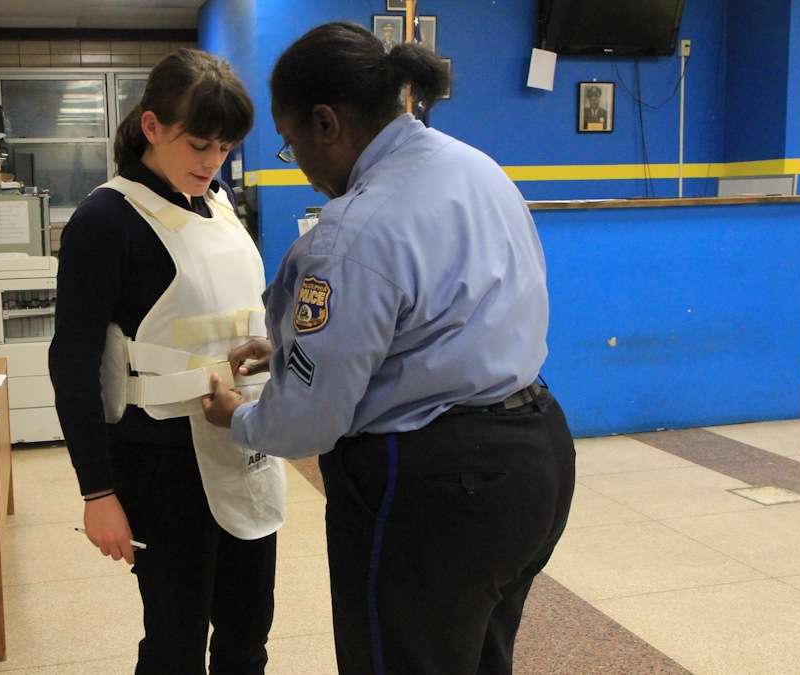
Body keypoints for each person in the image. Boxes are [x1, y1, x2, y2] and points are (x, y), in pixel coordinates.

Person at [202, 22, 576, 675]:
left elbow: (307, 421)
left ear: (327, 122)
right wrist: (287, 345)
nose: (305, 169)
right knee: (480, 656)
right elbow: (437, 316)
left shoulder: (352, 230)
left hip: (433, 488)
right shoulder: (476, 167)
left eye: (291, 145)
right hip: (536, 458)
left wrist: (236, 415)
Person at [49, 48, 283, 675]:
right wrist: (97, 490)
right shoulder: (106, 218)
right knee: (175, 643)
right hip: (159, 463)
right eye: (199, 144)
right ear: (151, 127)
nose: (212, 162)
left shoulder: (221, 206)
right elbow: (72, 360)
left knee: (247, 632)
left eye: (226, 147)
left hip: (244, 443)